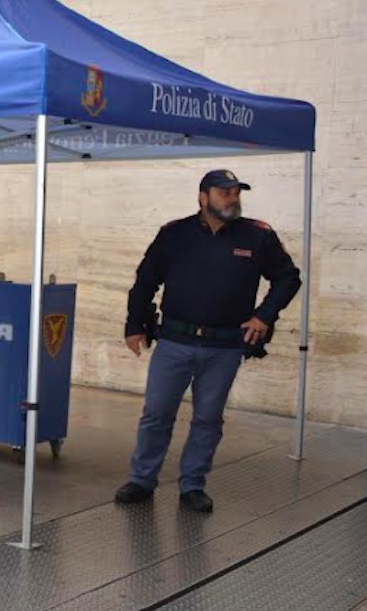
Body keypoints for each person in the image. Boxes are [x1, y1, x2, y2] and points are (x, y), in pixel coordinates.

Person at [115, 169, 301, 514]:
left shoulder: (258, 236)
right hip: (174, 341)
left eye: (236, 193)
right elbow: (145, 282)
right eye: (224, 192)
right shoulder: (175, 234)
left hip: (225, 347)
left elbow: (288, 278)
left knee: (208, 418)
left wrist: (264, 316)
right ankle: (142, 479)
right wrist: (133, 326)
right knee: (156, 413)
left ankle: (193, 485)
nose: (232, 198)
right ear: (203, 197)